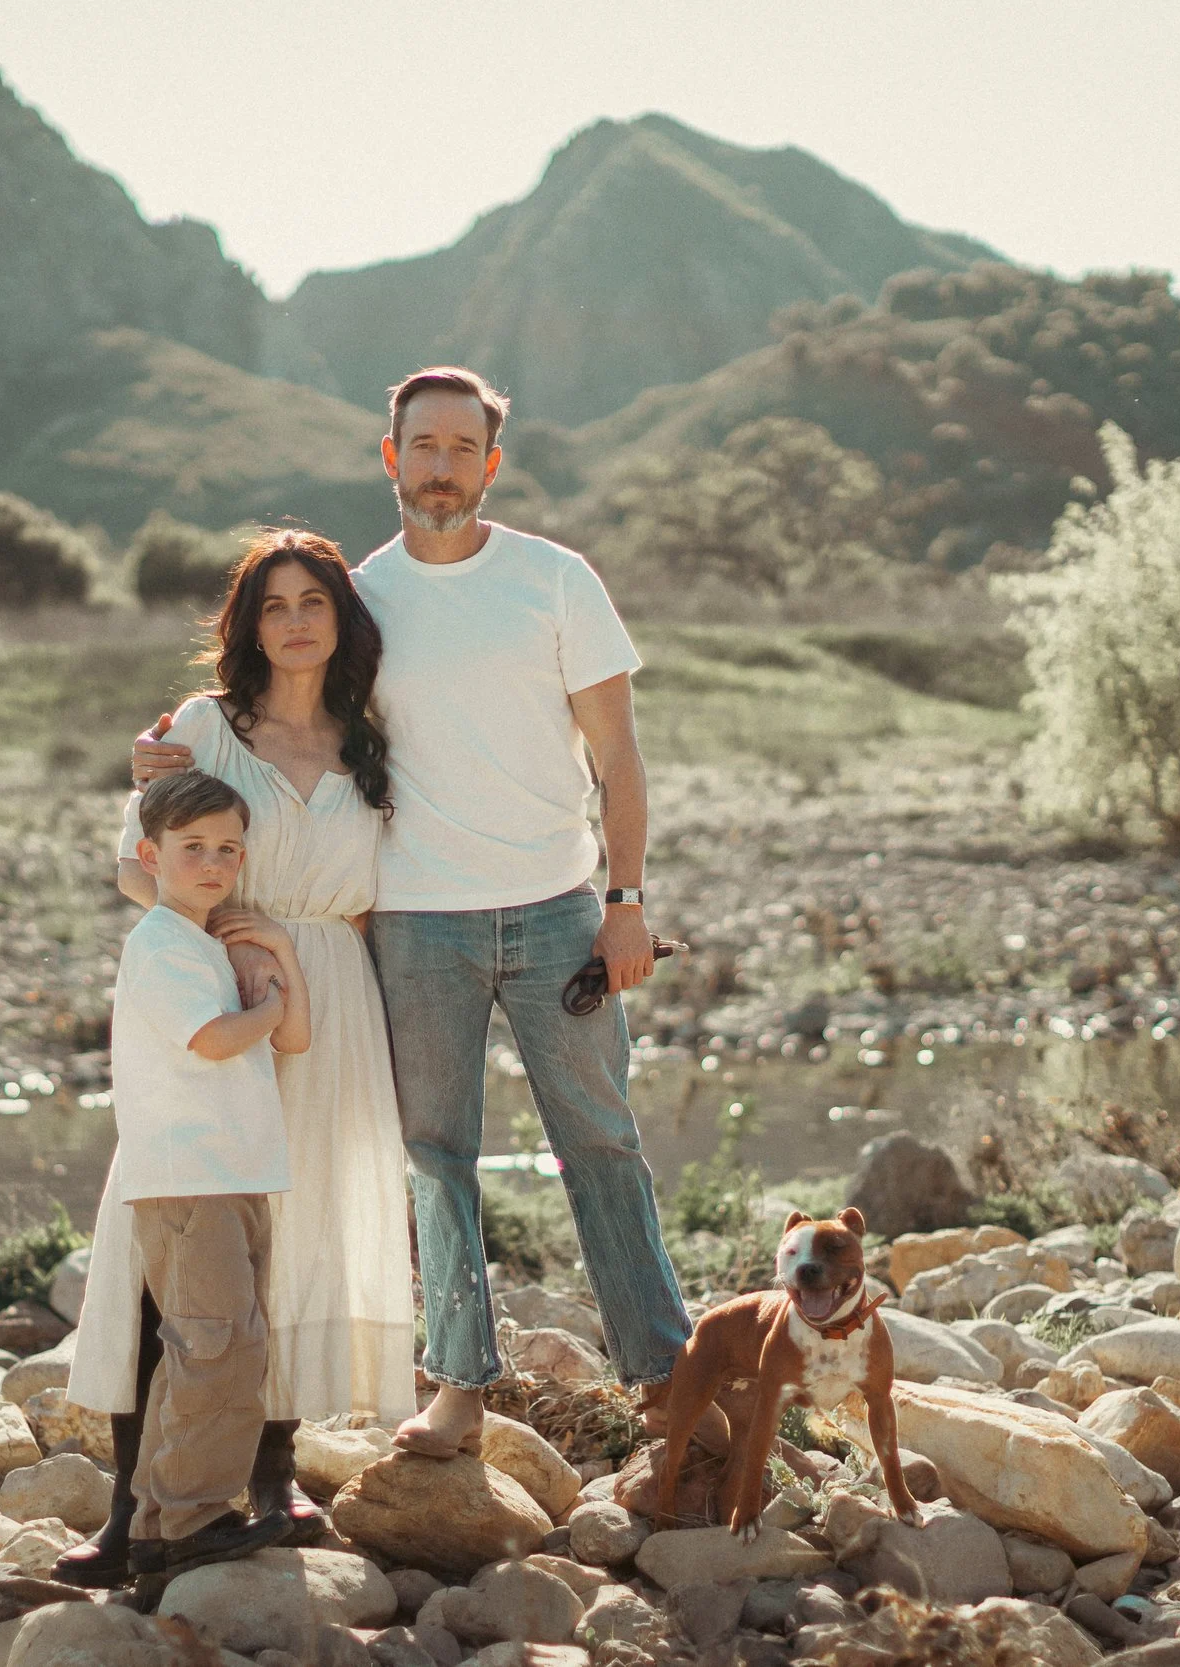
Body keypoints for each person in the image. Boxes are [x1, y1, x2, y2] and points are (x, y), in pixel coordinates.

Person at [136, 367, 709, 1462]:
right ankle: (458, 1385)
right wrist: (167, 751)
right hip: (412, 923)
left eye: (462, 446)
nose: (440, 464)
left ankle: (662, 1372)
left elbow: (618, 752)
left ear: (490, 463)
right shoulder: (362, 599)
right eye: (422, 444)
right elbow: (279, 700)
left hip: (556, 912)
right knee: (437, 1157)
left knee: (601, 1141)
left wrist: (626, 902)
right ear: (387, 456)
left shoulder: (556, 579)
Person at [63, 531, 415, 1586]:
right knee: (168, 1238)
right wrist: (229, 930)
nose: (297, 620)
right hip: (228, 984)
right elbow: (137, 868)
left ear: (342, 619)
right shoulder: (202, 730)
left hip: (336, 994)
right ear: (247, 623)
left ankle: (269, 1480)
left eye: (316, 600)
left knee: (295, 1230)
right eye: (274, 604)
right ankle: (131, 1509)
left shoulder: (375, 735)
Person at [99, 767, 308, 1580]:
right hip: (189, 1178)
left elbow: (296, 1039)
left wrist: (274, 972)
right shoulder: (159, 944)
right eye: (193, 848)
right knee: (213, 1346)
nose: (214, 862)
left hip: (234, 1172)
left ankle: (164, 1521)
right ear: (149, 854)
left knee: (228, 1344)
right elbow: (218, 1039)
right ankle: (184, 1520)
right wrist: (266, 1001)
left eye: (229, 847)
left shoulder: (201, 940)